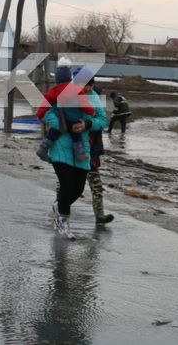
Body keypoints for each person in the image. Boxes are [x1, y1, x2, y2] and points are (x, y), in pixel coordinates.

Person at [42, 79, 108, 239]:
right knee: (66, 184)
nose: (82, 89)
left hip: (81, 149)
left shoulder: (94, 98)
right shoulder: (63, 93)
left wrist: (87, 124)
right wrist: (62, 124)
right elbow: (45, 111)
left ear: (91, 86)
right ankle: (63, 222)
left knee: (78, 189)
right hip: (61, 146)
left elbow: (103, 120)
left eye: (86, 86)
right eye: (79, 84)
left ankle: (59, 207)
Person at [36, 65, 96, 162]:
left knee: (53, 132)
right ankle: (79, 154)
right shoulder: (76, 89)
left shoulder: (54, 90)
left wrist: (39, 114)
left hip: (61, 119)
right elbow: (84, 104)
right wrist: (91, 111)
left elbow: (45, 103)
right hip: (73, 120)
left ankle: (43, 148)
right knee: (76, 136)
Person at [84, 77, 114, 225]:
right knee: (66, 185)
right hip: (73, 152)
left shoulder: (96, 101)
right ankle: (60, 211)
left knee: (96, 185)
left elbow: (101, 123)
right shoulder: (71, 98)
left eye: (88, 86)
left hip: (91, 152)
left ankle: (99, 216)